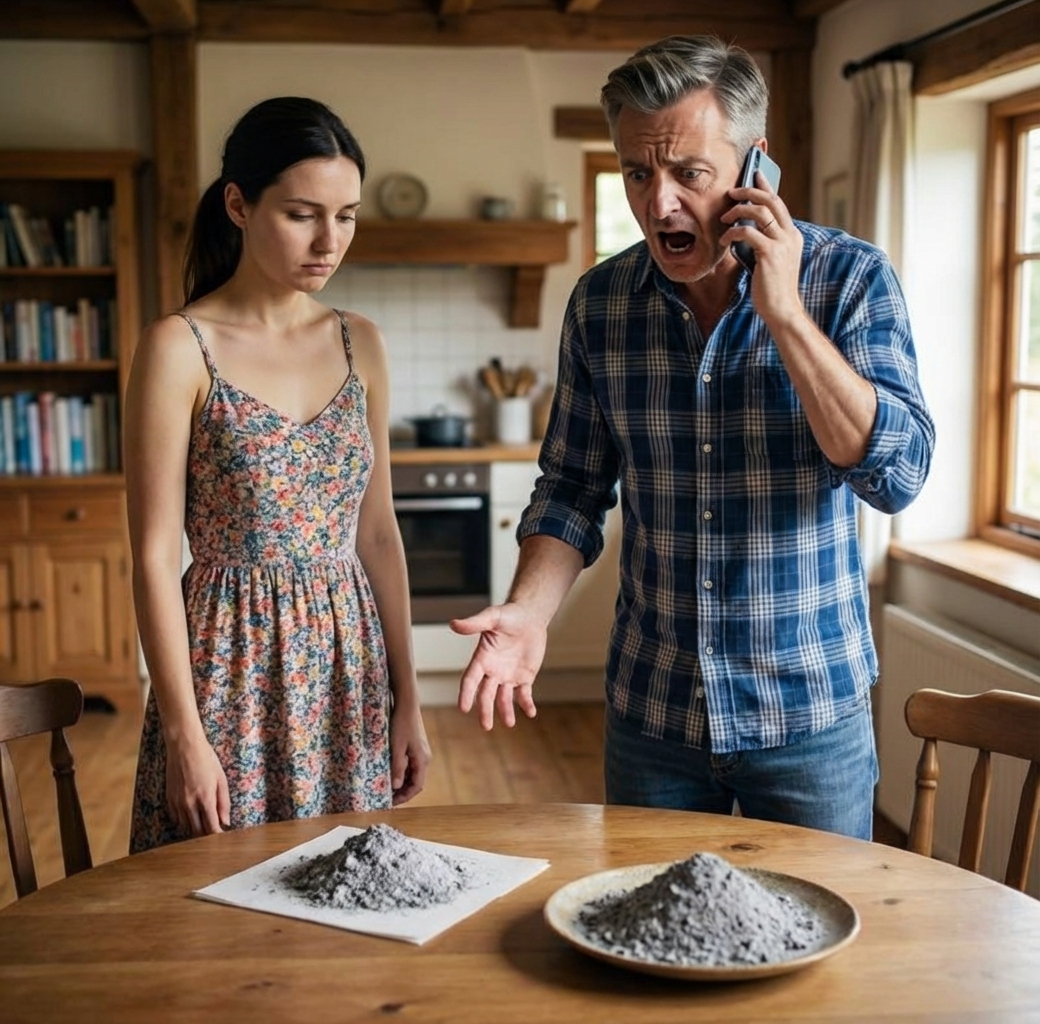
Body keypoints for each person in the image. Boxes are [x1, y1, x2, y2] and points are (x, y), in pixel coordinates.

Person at [451, 36, 934, 840]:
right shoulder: (601, 303)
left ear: (754, 167)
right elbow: (572, 486)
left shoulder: (849, 280)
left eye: (689, 173)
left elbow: (899, 476)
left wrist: (784, 316)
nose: (659, 203)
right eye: (637, 173)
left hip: (807, 713)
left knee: (824, 958)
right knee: (644, 943)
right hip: (654, 714)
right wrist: (529, 614)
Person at [126, 97, 430, 852]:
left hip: (346, 672)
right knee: (217, 898)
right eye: (302, 214)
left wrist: (410, 699)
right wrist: (183, 734)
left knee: (347, 891)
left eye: (348, 216)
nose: (330, 241)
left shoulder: (362, 343)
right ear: (238, 203)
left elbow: (379, 533)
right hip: (227, 667)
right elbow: (154, 558)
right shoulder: (179, 348)